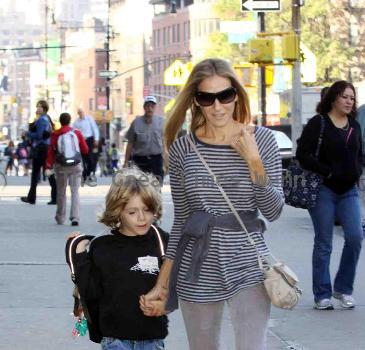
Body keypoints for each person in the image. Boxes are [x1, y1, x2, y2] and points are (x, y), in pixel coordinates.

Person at [140, 58, 284, 350]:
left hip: (248, 262)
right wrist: (162, 282)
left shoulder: (263, 141)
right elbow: (181, 220)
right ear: (196, 100)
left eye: (225, 96)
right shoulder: (183, 149)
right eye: (207, 97)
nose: (218, 106)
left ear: (236, 95)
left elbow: (273, 210)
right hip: (198, 264)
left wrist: (253, 161)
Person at [69, 167, 169, 350]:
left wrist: (165, 305)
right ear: (117, 212)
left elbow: (179, 285)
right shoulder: (103, 246)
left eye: (147, 210)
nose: (141, 218)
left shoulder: (162, 242)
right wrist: (78, 254)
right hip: (115, 339)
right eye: (132, 212)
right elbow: (90, 291)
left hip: (153, 339)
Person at [296, 80, 363, 310]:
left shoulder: (354, 125)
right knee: (324, 242)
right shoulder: (319, 123)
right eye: (345, 96)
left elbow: (359, 153)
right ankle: (322, 295)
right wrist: (328, 171)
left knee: (355, 237)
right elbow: (302, 154)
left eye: (352, 98)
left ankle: (342, 289)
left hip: (349, 191)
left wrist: (357, 170)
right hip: (324, 189)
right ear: (333, 98)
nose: (349, 101)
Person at [45, 112, 89, 226]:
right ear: (69, 121)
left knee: (61, 192)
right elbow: (85, 150)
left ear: (60, 121)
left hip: (61, 166)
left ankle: (60, 218)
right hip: (76, 166)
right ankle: (75, 217)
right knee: (75, 191)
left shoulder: (56, 134)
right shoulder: (76, 133)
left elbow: (51, 152)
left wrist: (48, 166)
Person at [20, 100, 57, 205]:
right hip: (45, 148)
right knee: (48, 172)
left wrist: (27, 133)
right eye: (37, 106)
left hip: (41, 149)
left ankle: (32, 198)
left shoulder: (42, 120)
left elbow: (39, 135)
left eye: (39, 107)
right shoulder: (47, 118)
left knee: (37, 174)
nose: (37, 108)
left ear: (44, 108)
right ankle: (55, 197)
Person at [124, 96, 164, 185]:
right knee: (141, 188)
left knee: (156, 187)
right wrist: (126, 161)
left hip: (156, 160)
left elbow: (166, 142)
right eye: (148, 106)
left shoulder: (161, 122)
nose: (150, 108)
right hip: (140, 161)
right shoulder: (136, 123)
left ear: (155, 107)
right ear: (144, 107)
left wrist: (167, 159)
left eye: (152, 106)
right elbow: (130, 143)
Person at [73, 108, 100, 186]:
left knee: (90, 160)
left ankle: (88, 174)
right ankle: (84, 176)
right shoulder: (76, 122)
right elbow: (74, 132)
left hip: (89, 140)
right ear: (78, 113)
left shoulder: (89, 119)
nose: (80, 114)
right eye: (79, 112)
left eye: (81, 112)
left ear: (84, 112)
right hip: (81, 141)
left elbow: (95, 128)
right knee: (83, 160)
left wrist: (96, 139)